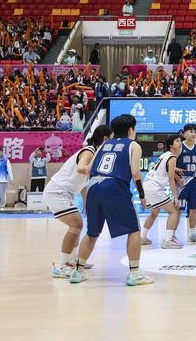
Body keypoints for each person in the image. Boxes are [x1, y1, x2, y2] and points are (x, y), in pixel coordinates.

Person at [69, 114, 153, 286]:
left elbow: (89, 169)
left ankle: (77, 272)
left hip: (93, 187)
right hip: (115, 187)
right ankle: (135, 273)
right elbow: (135, 173)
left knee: (92, 232)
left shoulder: (104, 145)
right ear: (131, 129)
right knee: (134, 230)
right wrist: (142, 195)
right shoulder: (134, 145)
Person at [43, 125, 112, 278]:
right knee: (76, 225)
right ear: (105, 139)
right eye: (112, 139)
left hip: (65, 193)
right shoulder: (89, 151)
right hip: (57, 191)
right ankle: (60, 266)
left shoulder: (95, 154)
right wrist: (98, 171)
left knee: (77, 226)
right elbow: (81, 168)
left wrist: (86, 203)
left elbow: (83, 184)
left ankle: (71, 260)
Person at [139, 134, 184, 249]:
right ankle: (168, 240)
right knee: (173, 212)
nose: (180, 143)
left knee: (154, 212)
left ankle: (142, 237)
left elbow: (165, 169)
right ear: (171, 145)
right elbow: (170, 178)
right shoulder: (172, 157)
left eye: (180, 141)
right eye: (177, 141)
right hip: (154, 187)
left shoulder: (165, 155)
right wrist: (175, 196)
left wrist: (175, 171)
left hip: (147, 184)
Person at [176, 124, 196, 242]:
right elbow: (171, 165)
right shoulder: (179, 146)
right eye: (191, 131)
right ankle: (171, 235)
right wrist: (177, 178)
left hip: (193, 181)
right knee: (179, 209)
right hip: (181, 183)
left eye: (195, 132)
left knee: (194, 208)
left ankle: (192, 234)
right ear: (184, 134)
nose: (194, 134)